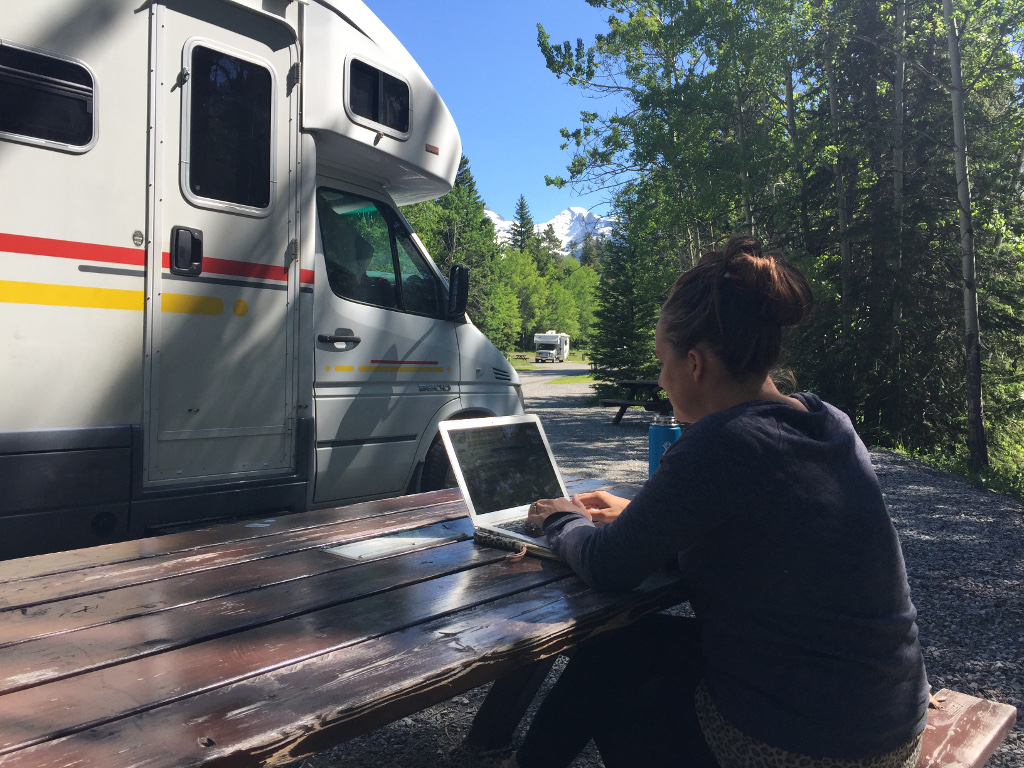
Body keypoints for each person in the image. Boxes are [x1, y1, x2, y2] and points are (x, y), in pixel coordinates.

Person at [513, 236, 930, 768]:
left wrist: (564, 521)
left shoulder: (720, 442)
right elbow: (762, 525)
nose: (662, 382)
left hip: (813, 750)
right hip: (889, 722)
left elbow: (607, 565)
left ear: (694, 365)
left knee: (609, 661)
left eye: (662, 364)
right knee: (633, 645)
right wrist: (637, 514)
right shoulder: (826, 421)